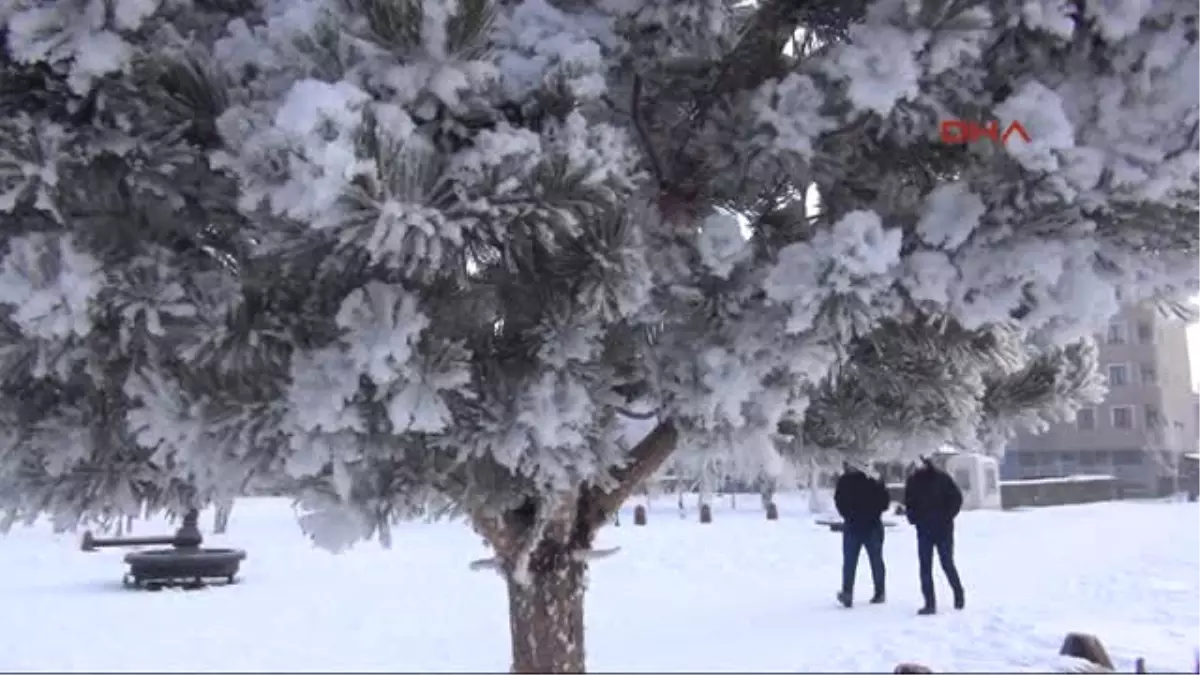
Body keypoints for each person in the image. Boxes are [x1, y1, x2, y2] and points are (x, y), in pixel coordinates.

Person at [903, 457, 965, 615]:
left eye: (921, 463)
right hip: (924, 530)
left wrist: (947, 516)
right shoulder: (913, 481)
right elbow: (909, 502)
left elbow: (956, 499)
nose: (918, 466)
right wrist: (913, 518)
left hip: (943, 529)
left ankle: (958, 593)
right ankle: (929, 603)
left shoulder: (942, 478)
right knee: (925, 567)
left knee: (947, 563)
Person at [833, 462, 891, 608]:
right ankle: (856, 592)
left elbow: (884, 502)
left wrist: (848, 514)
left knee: (864, 561)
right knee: (861, 561)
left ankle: (871, 592)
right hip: (862, 525)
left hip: (864, 525)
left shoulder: (864, 480)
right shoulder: (849, 481)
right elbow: (839, 501)